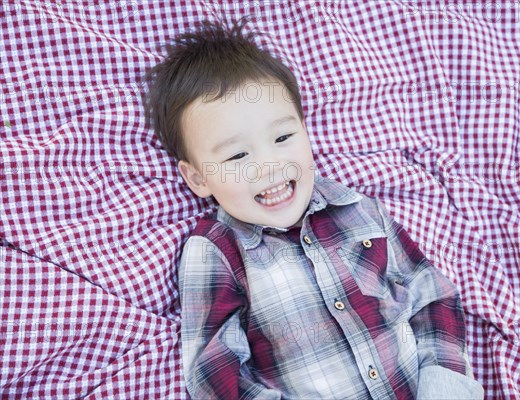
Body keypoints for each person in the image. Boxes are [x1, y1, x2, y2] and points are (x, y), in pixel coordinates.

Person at [144, 18, 484, 400]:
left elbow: (431, 294)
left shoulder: (358, 210)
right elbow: (213, 372)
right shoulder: (217, 251)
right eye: (238, 155)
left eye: (284, 137)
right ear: (197, 179)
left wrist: (444, 386)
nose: (269, 166)